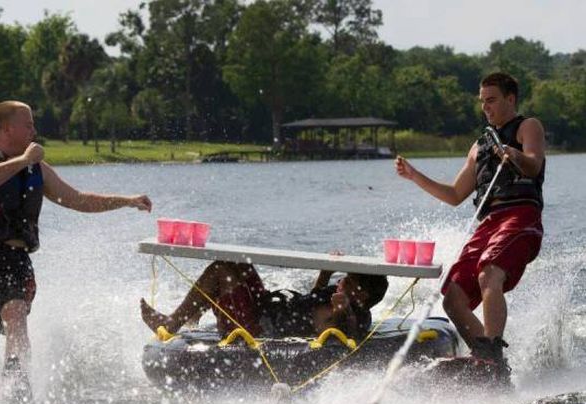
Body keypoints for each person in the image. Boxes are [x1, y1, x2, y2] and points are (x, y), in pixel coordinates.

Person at [0, 100, 152, 404]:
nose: (35, 130)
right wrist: (23, 161)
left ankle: (16, 386)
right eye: (29, 124)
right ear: (7, 128)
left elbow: (78, 199)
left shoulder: (38, 168)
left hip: (13, 258)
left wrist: (127, 200)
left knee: (15, 312)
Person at [395, 72, 545, 372]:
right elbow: (453, 195)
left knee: (489, 272)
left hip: (521, 217)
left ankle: (491, 351)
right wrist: (415, 176)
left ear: (510, 99)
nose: (485, 107)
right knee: (452, 296)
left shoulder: (529, 126)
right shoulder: (479, 147)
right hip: (489, 223)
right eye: (482, 102)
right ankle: (489, 363)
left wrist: (513, 154)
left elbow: (534, 163)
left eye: (492, 100)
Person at [140, 261, 389, 339]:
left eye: (349, 279)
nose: (342, 279)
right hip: (267, 310)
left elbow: (332, 334)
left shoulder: (350, 314)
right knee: (239, 262)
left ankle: (173, 323)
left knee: (220, 270)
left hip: (256, 327)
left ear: (362, 295)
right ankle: (193, 314)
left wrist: (342, 312)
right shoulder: (338, 297)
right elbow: (312, 303)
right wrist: (323, 275)